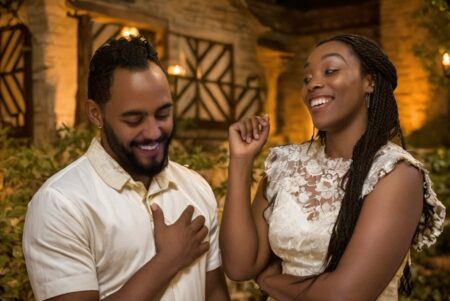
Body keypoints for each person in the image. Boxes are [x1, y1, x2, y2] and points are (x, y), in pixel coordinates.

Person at [220, 34, 446, 301]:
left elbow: (345, 295)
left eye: (330, 70)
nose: (313, 83)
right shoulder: (285, 164)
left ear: (369, 82)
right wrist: (240, 163)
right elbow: (239, 266)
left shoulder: (396, 173)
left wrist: (269, 280)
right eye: (307, 78)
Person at [22, 36, 230, 301]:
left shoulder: (195, 186)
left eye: (163, 114)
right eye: (134, 119)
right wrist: (167, 261)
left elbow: (214, 293)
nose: (154, 131)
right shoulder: (60, 204)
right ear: (96, 113)